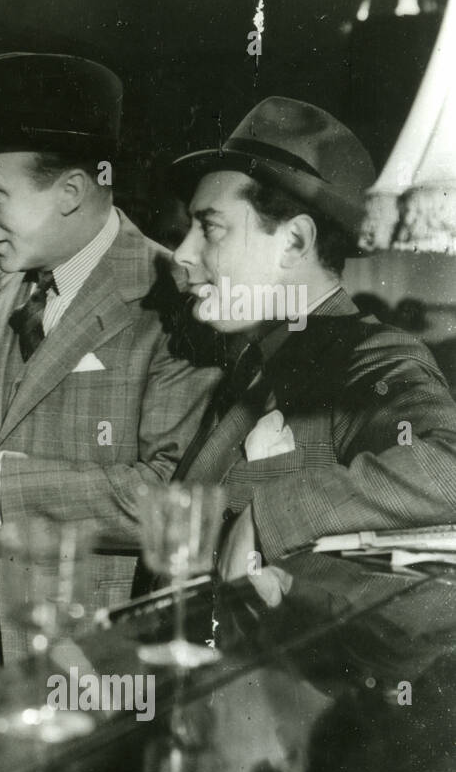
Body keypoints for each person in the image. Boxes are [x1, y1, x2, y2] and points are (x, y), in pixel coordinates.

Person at [0, 53, 220, 678]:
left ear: (70, 191)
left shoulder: (178, 301)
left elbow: (177, 498)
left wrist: (5, 485)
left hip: (102, 671)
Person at [166, 97, 456, 596]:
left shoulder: (370, 352)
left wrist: (270, 516)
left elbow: (449, 464)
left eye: (209, 228)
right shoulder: (256, 361)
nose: (183, 254)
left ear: (295, 243)